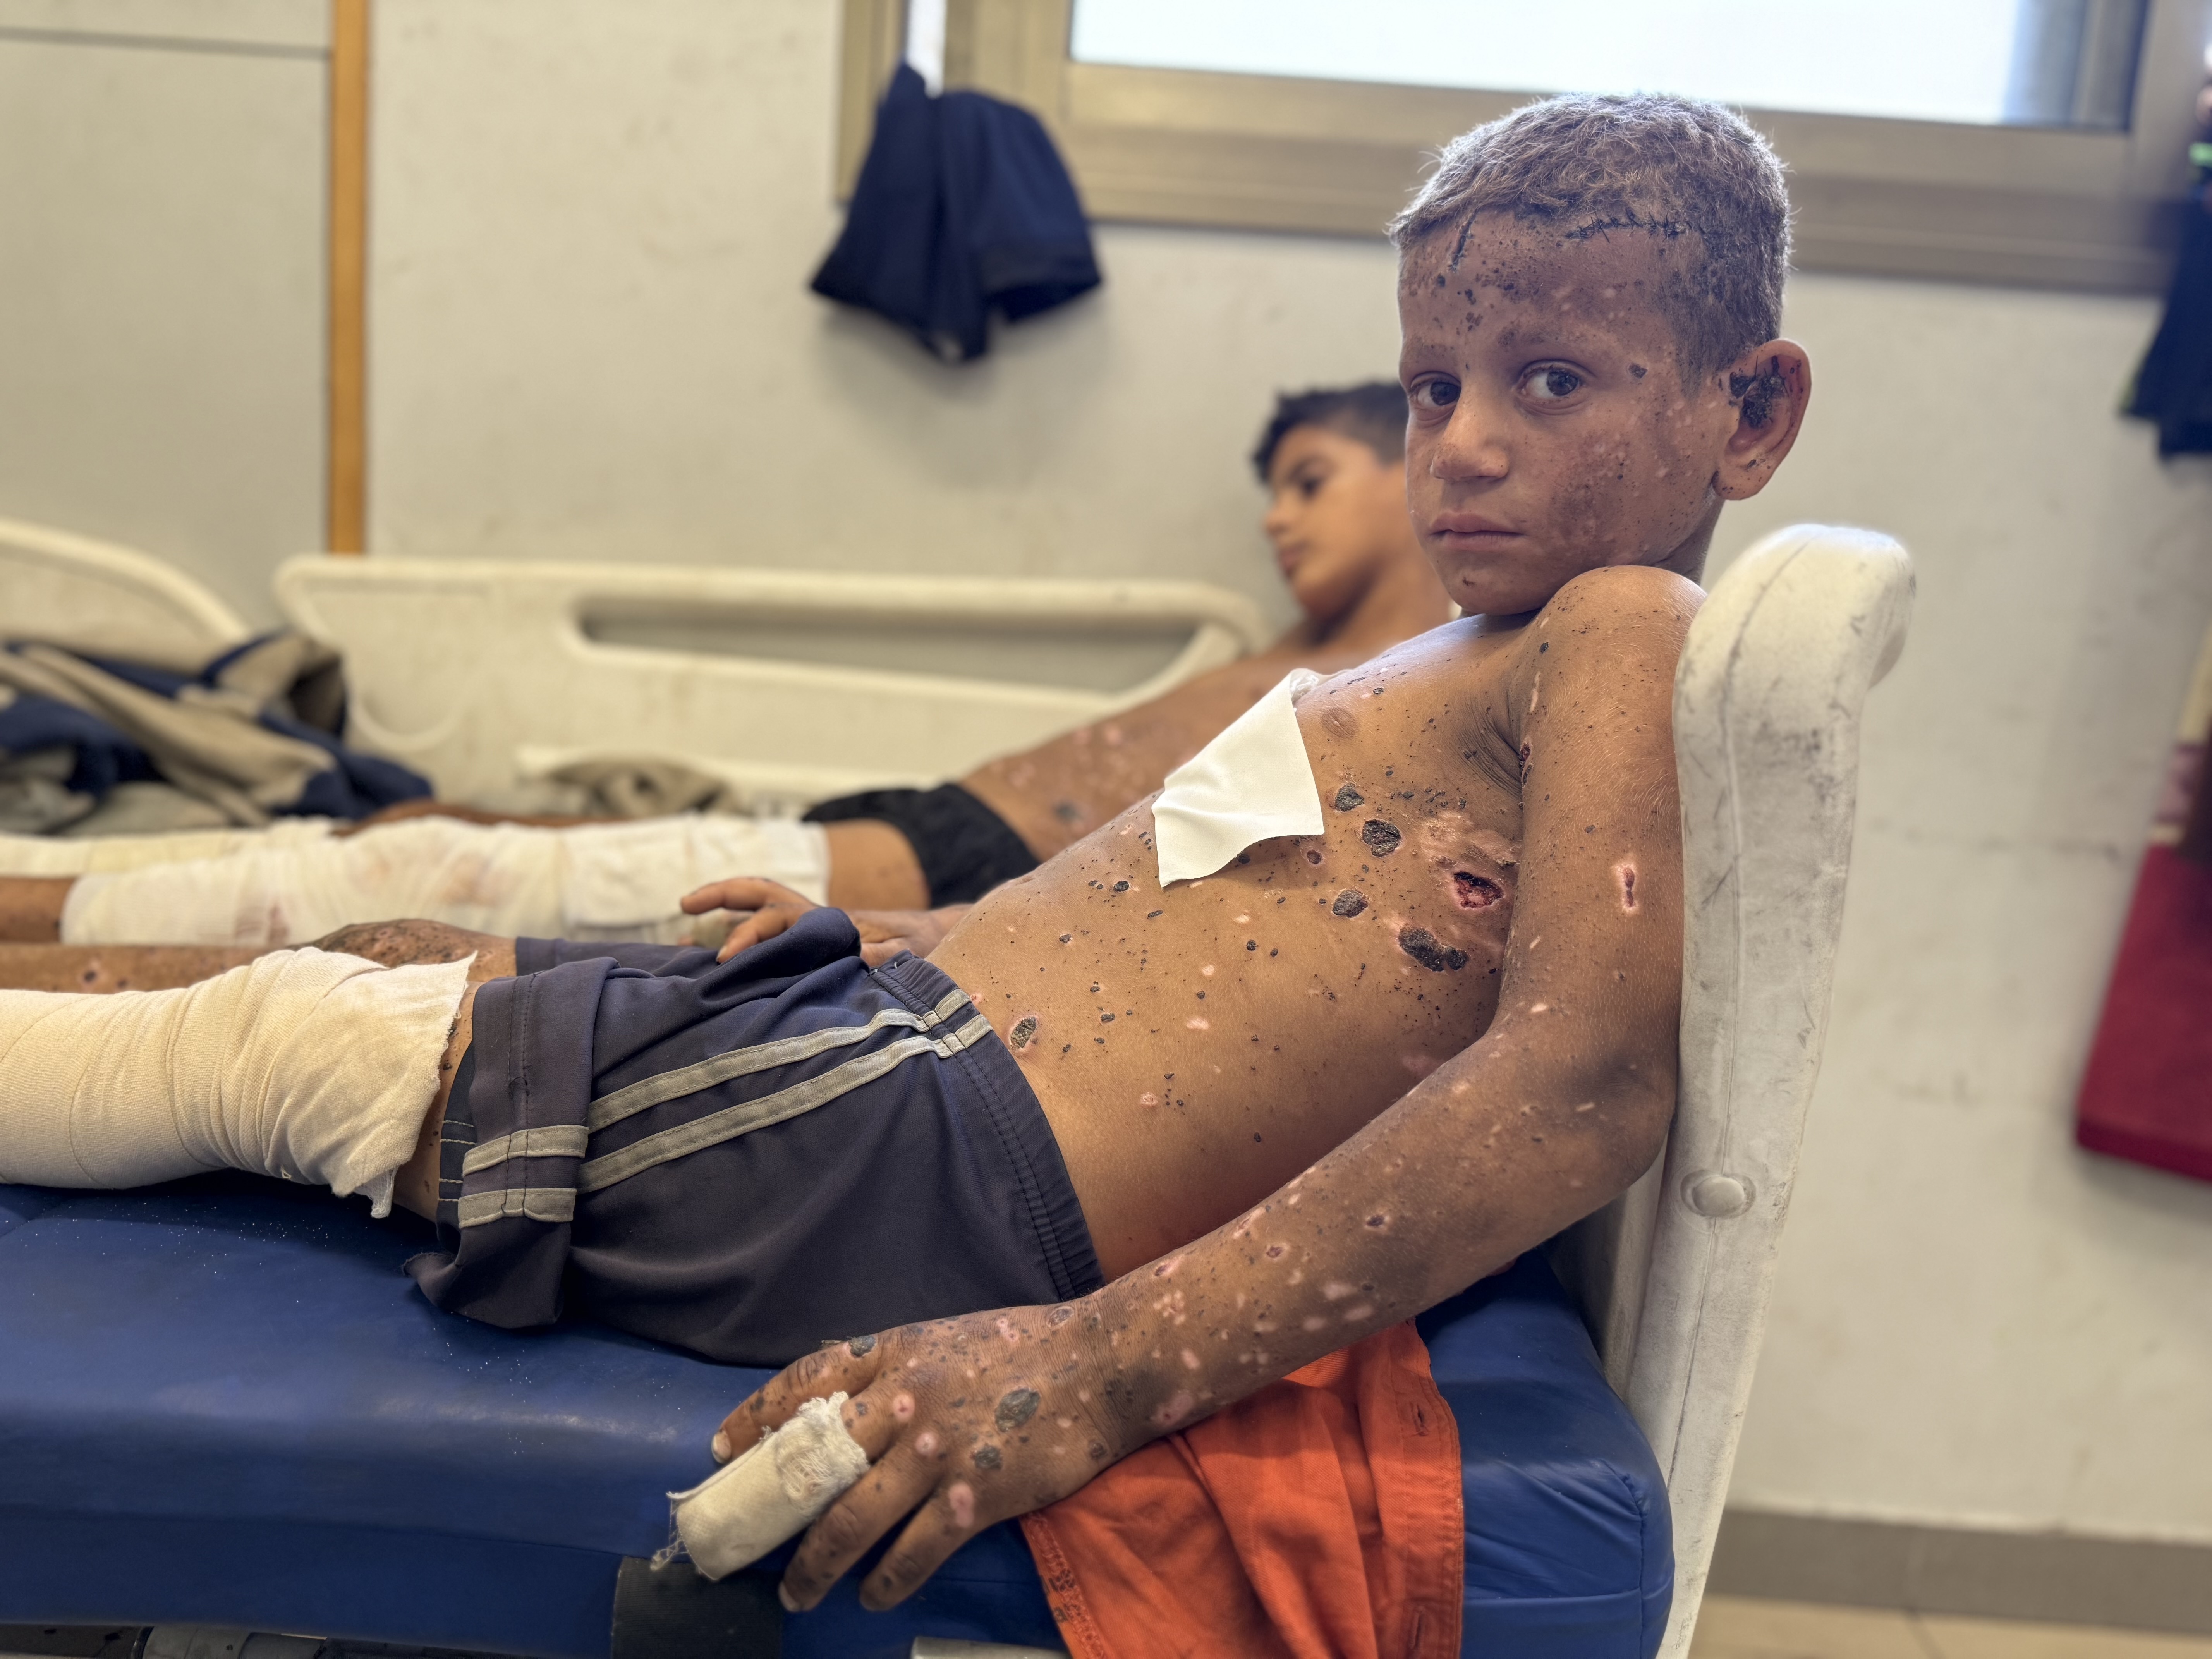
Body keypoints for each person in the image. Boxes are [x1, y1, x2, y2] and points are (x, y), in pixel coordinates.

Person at [0, 93, 1810, 1618]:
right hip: (903, 1052)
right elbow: (1170, 915)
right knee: (397, 950)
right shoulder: (1459, 660)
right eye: (1434, 387)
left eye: (1553, 380)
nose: (1465, 445)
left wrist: (1092, 1370)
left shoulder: (1621, 631)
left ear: (1750, 412)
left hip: (926, 1155)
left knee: (300, 1050)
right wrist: (897, 936)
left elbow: (1582, 1085)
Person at [0, 384, 1450, 946]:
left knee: (435, 876)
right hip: (926, 823)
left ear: (1411, 458)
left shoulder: (1445, 644)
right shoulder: (1301, 647)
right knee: (430, 839)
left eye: (1309, 478)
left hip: (952, 875)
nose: (1274, 515)